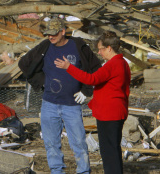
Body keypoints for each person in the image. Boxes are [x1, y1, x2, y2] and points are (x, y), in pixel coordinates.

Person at [19, 17, 102, 174]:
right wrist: (41, 81)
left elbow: (96, 68)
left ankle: (84, 171)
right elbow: (24, 63)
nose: (51, 37)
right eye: (48, 34)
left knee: (79, 143)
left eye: (54, 34)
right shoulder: (45, 46)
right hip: (49, 104)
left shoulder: (78, 46)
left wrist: (86, 90)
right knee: (51, 144)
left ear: (63, 32)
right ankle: (56, 171)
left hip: (72, 105)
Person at [55, 30, 131, 174]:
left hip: (109, 113)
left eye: (101, 49)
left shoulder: (112, 65)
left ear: (109, 48)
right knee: (113, 149)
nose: (100, 53)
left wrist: (69, 67)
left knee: (109, 152)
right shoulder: (122, 63)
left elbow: (92, 79)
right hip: (117, 111)